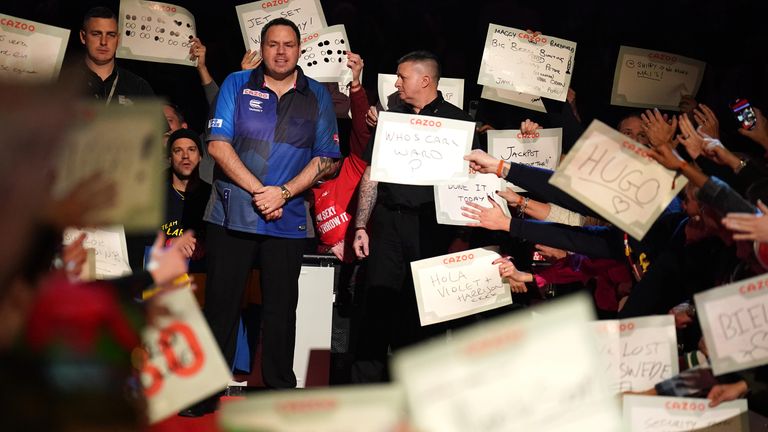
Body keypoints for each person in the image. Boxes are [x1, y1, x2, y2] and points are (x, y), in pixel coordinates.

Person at [201, 17, 340, 409]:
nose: (281, 52)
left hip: (288, 217)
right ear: (261, 48)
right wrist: (260, 191)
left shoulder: (317, 95)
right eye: (273, 44)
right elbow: (217, 145)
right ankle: (206, 390)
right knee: (221, 306)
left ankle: (280, 392)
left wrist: (283, 193)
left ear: (300, 50)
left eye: (289, 44)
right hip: (232, 214)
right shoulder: (235, 83)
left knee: (282, 311)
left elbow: (326, 157)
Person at [351, 50, 479, 382]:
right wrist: (362, 225)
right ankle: (367, 392)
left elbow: (472, 184)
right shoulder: (391, 119)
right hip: (389, 223)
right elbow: (371, 174)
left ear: (424, 80)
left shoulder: (460, 123)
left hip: (432, 227)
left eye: (402, 77)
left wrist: (462, 236)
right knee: (376, 307)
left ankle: (422, 392)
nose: (396, 83)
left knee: (426, 312)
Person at [78, 6, 153, 104]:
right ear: (83, 37)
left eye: (111, 35)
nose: (104, 42)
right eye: (96, 34)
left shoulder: (138, 86)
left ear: (118, 39)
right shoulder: (62, 82)